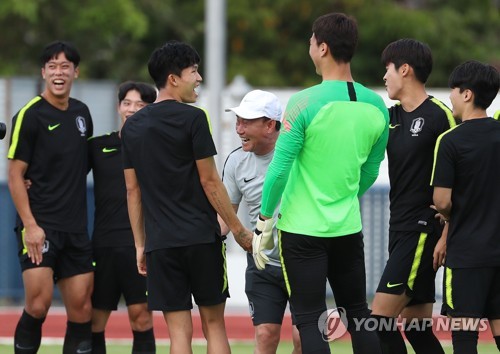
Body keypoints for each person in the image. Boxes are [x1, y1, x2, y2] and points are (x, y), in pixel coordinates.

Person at [254, 13, 389, 354]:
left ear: (323, 48)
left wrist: (264, 221)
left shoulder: (303, 103)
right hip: (347, 227)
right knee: (359, 314)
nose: (309, 47)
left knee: (310, 318)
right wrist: (344, 197)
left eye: (311, 41)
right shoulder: (378, 106)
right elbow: (371, 172)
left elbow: (279, 170)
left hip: (301, 231)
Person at [121, 40, 253, 354]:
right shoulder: (194, 118)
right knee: (214, 327)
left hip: (161, 244)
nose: (199, 79)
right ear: (173, 78)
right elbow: (210, 182)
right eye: (194, 71)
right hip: (201, 239)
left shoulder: (131, 127)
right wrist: (238, 229)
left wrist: (141, 244)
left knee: (178, 334)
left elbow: (132, 190)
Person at [370, 38, 456, 354]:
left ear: (404, 69)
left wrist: (446, 235)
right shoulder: (390, 118)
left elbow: (461, 181)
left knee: (378, 320)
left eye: (387, 70)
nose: (384, 77)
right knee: (418, 331)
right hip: (400, 230)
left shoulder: (440, 116)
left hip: (421, 232)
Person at [7, 41, 94, 354]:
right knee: (39, 304)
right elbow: (15, 174)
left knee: (82, 310)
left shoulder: (82, 114)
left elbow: (79, 166)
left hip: (75, 229)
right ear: (43, 72)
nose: (59, 72)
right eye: (53, 67)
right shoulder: (29, 115)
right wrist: (30, 225)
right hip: (40, 226)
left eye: (65, 66)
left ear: (75, 72)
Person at [220, 90, 301, 354]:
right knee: (266, 336)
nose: (239, 129)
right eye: (238, 121)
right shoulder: (235, 161)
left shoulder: (301, 154)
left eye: (246, 122)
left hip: (304, 261)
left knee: (304, 340)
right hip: (262, 264)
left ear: (269, 125)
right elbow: (224, 216)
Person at [431, 60, 500, 354]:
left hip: (467, 255)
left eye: (454, 91)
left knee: (464, 336)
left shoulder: (450, 140)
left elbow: (442, 201)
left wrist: (447, 215)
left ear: (468, 94)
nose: (451, 97)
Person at [88, 81, 157, 354]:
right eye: (127, 103)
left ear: (150, 110)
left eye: (141, 105)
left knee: (141, 317)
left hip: (139, 247)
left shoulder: (157, 149)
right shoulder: (97, 146)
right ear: (118, 107)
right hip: (103, 245)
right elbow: (63, 171)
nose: (132, 109)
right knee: (94, 320)